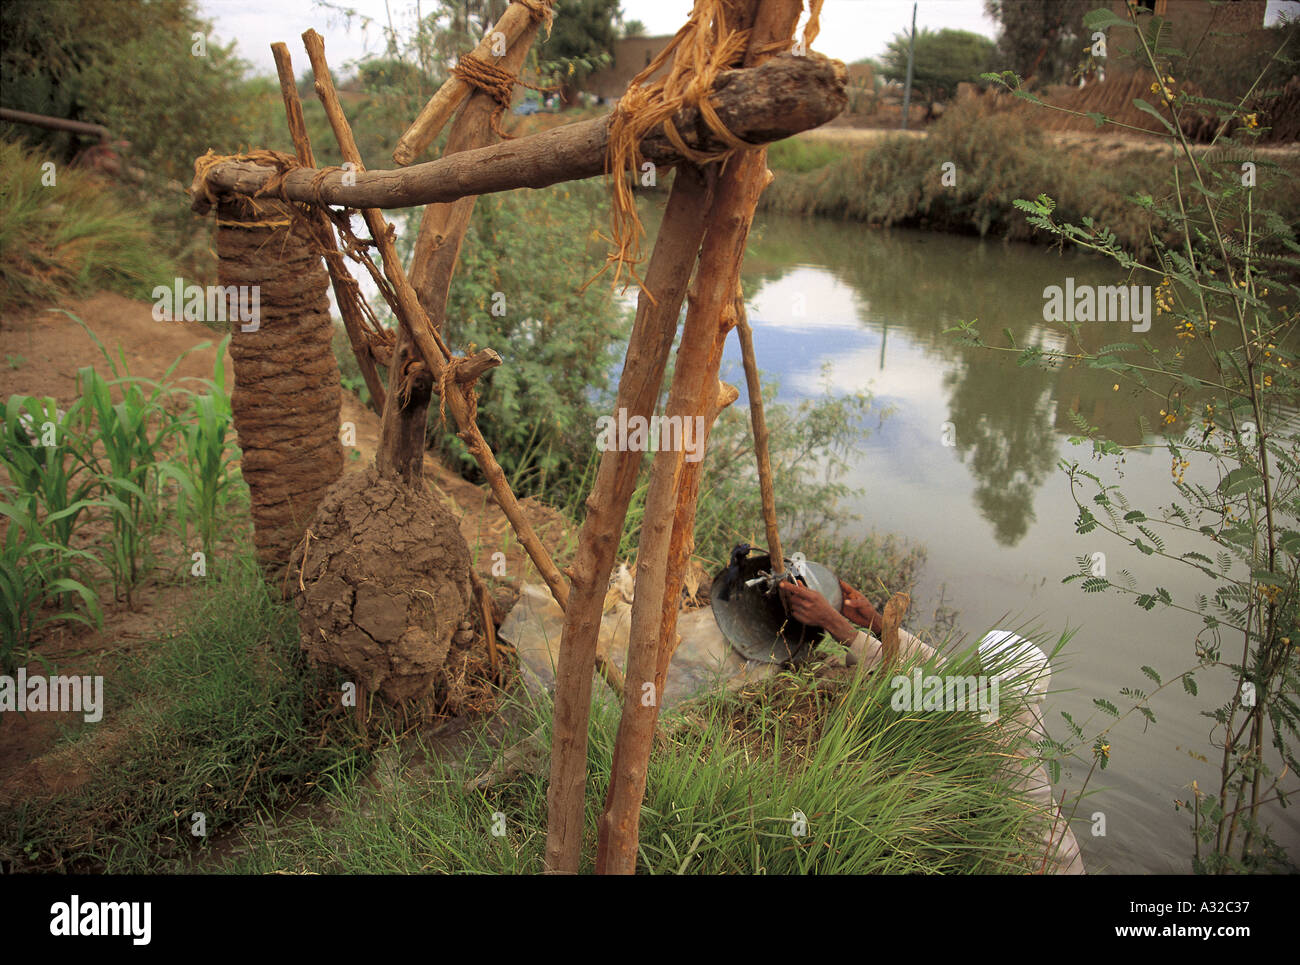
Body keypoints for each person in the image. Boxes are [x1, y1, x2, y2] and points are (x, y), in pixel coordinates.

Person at [777, 576, 1085, 874]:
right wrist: (876, 620)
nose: (966, 666)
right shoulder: (1012, 701)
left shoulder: (991, 718)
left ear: (987, 681)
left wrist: (837, 625)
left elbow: (914, 684)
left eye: (975, 664)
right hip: (1055, 849)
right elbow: (939, 668)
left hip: (1038, 861)